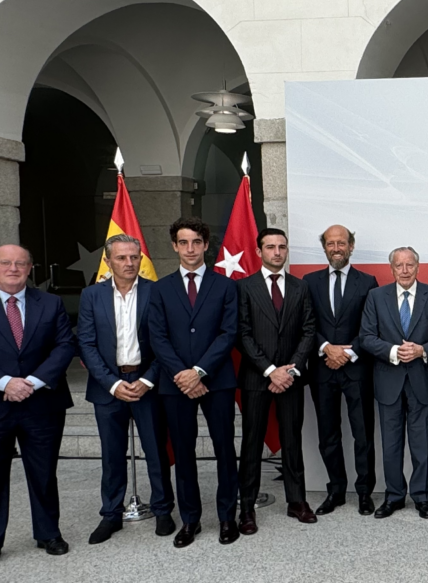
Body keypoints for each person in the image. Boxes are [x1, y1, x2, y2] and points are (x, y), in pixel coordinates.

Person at [0, 244, 76, 570]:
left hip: (42, 403)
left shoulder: (51, 303)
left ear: (30, 268)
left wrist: (31, 382)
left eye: (21, 263)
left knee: (44, 474)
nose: (13, 269)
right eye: (5, 262)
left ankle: (48, 534)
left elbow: (64, 346)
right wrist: (6, 383)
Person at [147, 217, 241, 548]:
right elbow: (157, 337)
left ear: (206, 245)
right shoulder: (160, 289)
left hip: (217, 381)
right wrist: (183, 375)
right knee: (183, 452)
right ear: (175, 246)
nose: (190, 249)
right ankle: (190, 519)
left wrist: (199, 371)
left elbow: (228, 333)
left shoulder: (226, 286)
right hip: (175, 384)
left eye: (196, 242)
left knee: (225, 450)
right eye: (184, 242)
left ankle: (227, 517)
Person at [76, 234, 175, 544]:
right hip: (108, 387)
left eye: (134, 257)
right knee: (112, 455)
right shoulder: (91, 295)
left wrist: (147, 380)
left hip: (148, 383)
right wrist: (113, 383)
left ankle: (162, 509)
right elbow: (86, 343)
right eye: (121, 258)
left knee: (156, 451)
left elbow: (166, 342)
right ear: (108, 261)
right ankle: (111, 514)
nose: (129, 263)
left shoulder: (156, 291)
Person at [236, 227, 319, 534]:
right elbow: (242, 334)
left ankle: (297, 501)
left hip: (291, 378)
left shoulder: (300, 287)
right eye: (270, 247)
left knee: (292, 440)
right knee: (251, 443)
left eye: (282, 246)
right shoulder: (244, 287)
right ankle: (246, 507)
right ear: (259, 251)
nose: (277, 252)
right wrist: (271, 370)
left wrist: (290, 370)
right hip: (257, 378)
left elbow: (308, 330)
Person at [359, 247, 428, 520]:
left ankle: (422, 497)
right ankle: (394, 496)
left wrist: (422, 350)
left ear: (418, 267)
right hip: (389, 381)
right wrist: (395, 351)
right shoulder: (376, 296)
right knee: (391, 445)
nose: (405, 270)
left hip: (422, 380)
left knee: (423, 444)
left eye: (409, 265)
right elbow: (366, 337)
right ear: (391, 268)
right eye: (399, 265)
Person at [303, 225, 379, 516]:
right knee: (328, 434)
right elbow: (306, 324)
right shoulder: (309, 282)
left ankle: (364, 492)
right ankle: (336, 490)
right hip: (322, 369)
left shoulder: (368, 282)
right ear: (324, 248)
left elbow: (371, 325)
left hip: (356, 369)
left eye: (342, 243)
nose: (336, 248)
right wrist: (326, 348)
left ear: (351, 246)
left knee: (363, 434)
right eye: (331, 244)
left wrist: (347, 352)